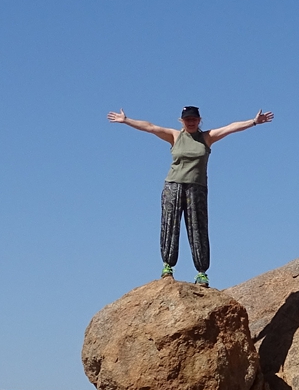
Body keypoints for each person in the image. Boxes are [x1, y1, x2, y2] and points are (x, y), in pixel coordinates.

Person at [106, 105, 274, 285]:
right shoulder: (175, 136)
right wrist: (126, 120)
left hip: (197, 187)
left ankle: (202, 272)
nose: (191, 122)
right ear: (182, 121)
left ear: (199, 120)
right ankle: (167, 266)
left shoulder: (206, 138)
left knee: (198, 227)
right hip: (173, 185)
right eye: (187, 119)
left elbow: (230, 128)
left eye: (194, 119)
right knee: (170, 224)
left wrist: (254, 122)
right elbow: (150, 127)